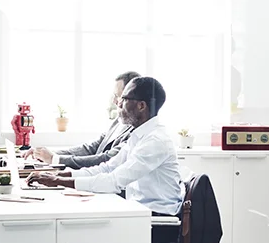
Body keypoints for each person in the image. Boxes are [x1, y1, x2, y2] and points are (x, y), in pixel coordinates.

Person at [27, 76, 183, 216]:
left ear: (141, 106)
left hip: (157, 220)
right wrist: (60, 177)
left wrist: (57, 181)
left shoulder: (155, 141)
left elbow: (113, 181)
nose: (118, 103)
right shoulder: (139, 135)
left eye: (124, 98)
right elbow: (107, 168)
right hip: (139, 212)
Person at [21, 71, 140, 169]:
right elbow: (90, 148)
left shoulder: (137, 131)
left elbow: (107, 159)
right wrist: (46, 153)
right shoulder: (118, 121)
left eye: (118, 96)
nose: (115, 101)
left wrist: (55, 159)